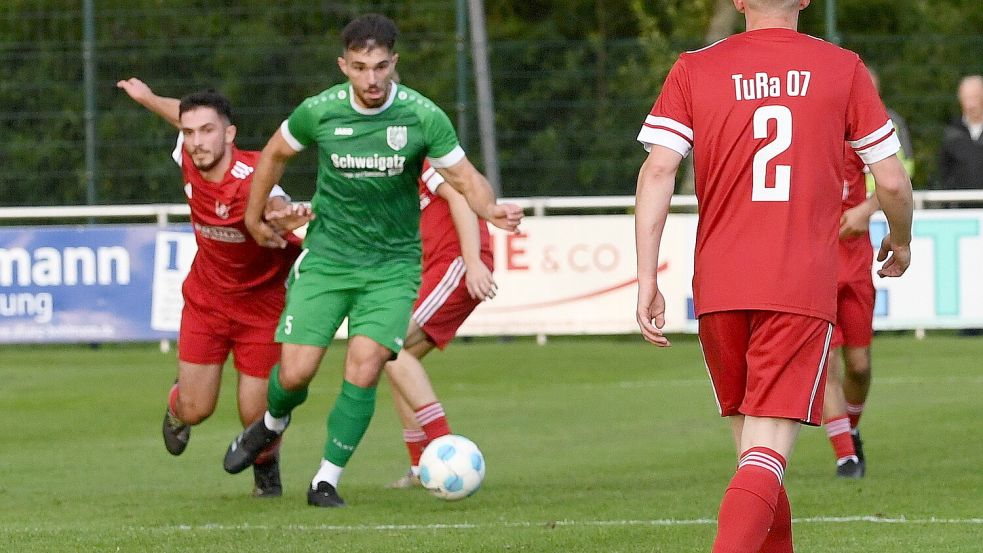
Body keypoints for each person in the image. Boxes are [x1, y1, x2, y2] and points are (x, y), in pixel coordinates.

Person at [633, 1, 913, 551]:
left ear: (738, 0)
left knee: (754, 458)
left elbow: (658, 170)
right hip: (797, 285)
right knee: (765, 457)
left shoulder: (695, 66)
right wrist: (900, 241)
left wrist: (647, 277)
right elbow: (894, 183)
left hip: (718, 286)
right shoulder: (842, 67)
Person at [221, 13, 522, 508]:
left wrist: (491, 208)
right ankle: (273, 422)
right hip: (328, 260)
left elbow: (464, 179)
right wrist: (255, 219)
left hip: (391, 268)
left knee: (365, 367)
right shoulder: (319, 112)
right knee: (295, 373)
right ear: (344, 66)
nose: (372, 79)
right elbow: (273, 154)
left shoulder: (422, 117)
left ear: (394, 63)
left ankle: (326, 479)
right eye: (360, 67)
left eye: (381, 66)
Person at [117, 78, 310, 498]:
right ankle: (177, 406)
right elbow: (181, 115)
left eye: (208, 131)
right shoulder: (190, 156)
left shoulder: (254, 176)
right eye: (189, 133)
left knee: (255, 414)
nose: (196, 141)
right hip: (207, 301)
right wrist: (150, 99)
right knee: (196, 408)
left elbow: (276, 203)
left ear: (230, 134)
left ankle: (266, 470)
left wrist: (284, 215)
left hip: (262, 306)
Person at [822, 67, 916, 479]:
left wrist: (868, 207)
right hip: (815, 262)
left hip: (856, 261)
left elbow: (899, 178)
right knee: (824, 360)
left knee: (858, 364)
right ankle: (845, 455)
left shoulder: (877, 133)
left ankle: (851, 431)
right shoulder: (811, 126)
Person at [384, 160, 496, 488]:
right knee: (393, 359)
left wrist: (473, 263)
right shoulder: (391, 175)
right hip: (438, 266)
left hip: (457, 263)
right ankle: (421, 466)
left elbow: (461, 196)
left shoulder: (423, 159)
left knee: (385, 344)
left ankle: (446, 448)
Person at [938, 75, 983, 191]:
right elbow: (944, 172)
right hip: (959, 205)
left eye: (975, 98)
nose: (971, 105)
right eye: (967, 98)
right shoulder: (952, 133)